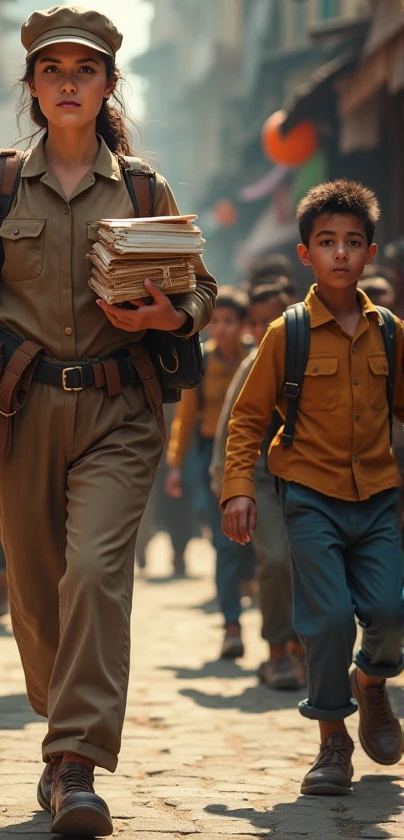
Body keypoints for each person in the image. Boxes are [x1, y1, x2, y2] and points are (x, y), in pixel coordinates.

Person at [0, 5, 217, 836]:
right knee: (37, 591)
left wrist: (165, 317)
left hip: (122, 410)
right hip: (20, 409)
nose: (68, 82)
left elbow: (200, 290)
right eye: (53, 70)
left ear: (110, 85)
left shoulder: (147, 187)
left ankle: (76, 762)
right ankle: (62, 735)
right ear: (34, 89)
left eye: (85, 69)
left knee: (94, 574)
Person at [222, 180, 404, 796]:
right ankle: (332, 741)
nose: (340, 254)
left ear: (370, 253)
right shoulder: (287, 333)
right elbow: (247, 417)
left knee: (389, 611)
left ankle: (372, 684)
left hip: (378, 497)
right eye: (327, 242)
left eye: (353, 242)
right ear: (306, 254)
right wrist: (237, 490)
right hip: (308, 496)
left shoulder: (391, 334)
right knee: (325, 622)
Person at [210, 280, 305, 689]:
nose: (273, 328)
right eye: (264, 321)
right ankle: (278, 651)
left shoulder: (322, 350)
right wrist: (229, 484)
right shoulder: (256, 362)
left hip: (315, 473)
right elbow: (233, 425)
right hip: (263, 477)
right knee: (277, 559)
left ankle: (309, 648)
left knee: (313, 562)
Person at [165, 286, 252, 658]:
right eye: (214, 322)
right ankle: (231, 622)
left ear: (244, 325)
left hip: (250, 455)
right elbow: (185, 417)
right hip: (206, 454)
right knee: (218, 533)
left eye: (229, 322)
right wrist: (175, 465)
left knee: (246, 541)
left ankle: (240, 614)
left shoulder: (259, 357)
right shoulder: (200, 360)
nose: (221, 329)